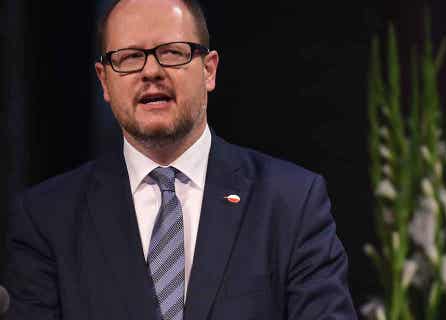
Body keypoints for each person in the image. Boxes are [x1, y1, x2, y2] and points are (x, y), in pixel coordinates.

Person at [4, 0, 357, 319]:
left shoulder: (291, 203)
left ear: (209, 70)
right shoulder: (47, 219)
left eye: (172, 53)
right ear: (105, 82)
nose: (151, 71)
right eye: (128, 57)